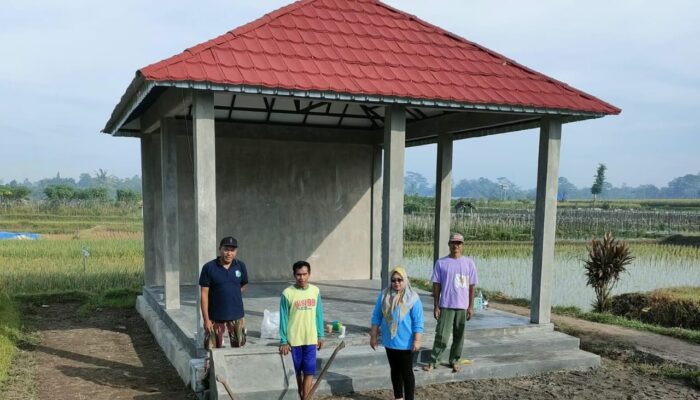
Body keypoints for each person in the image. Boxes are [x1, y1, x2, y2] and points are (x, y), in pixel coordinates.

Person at [423, 233, 478, 373]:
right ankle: (434, 361)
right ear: (449, 244)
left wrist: (470, 306)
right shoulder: (441, 263)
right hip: (446, 305)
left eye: (459, 243)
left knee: (459, 336)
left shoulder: (469, 263)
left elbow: (472, 287)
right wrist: (436, 305)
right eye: (453, 242)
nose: (456, 245)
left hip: (462, 306)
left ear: (462, 245)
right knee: (442, 335)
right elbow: (436, 285)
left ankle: (455, 360)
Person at [370, 267, 424, 400]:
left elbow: (418, 321)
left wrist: (417, 340)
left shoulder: (413, 297)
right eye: (394, 280)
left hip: (406, 343)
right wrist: (374, 336)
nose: (397, 283)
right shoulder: (384, 295)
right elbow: (376, 316)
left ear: (405, 280)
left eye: (400, 280)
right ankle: (398, 397)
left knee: (407, 373)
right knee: (395, 371)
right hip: (390, 341)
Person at [279, 260, 324, 400]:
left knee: (309, 370)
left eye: (305, 274)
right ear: (294, 275)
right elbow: (283, 318)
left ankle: (306, 397)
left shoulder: (315, 291)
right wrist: (283, 340)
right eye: (299, 275)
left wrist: (320, 335)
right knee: (298, 371)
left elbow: (319, 315)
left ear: (309, 274)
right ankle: (301, 395)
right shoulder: (287, 293)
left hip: (310, 339)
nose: (302, 278)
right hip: (294, 340)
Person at [199, 236, 249, 349]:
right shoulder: (209, 268)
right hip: (215, 317)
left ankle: (235, 367)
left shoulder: (240, 266)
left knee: (239, 348)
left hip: (237, 315)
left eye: (232, 250)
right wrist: (206, 319)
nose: (229, 253)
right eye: (226, 249)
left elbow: (244, 283)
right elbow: (204, 294)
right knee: (212, 350)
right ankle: (212, 367)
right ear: (220, 249)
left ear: (236, 251)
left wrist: (233, 294)